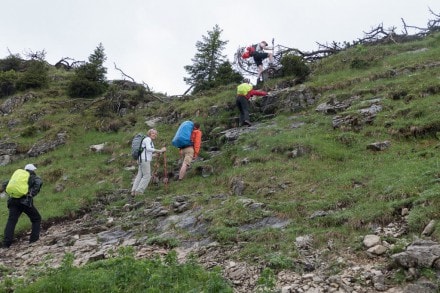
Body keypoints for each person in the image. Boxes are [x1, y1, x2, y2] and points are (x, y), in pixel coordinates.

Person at [2, 164, 43, 248]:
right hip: (25, 201)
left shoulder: (18, 176)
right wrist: (31, 194)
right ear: (32, 170)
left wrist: (11, 193)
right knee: (36, 218)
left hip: (13, 201)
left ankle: (6, 244)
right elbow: (38, 183)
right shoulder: (33, 177)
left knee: (11, 221)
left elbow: (5, 183)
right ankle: (33, 241)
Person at [131, 129, 166, 196]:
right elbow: (149, 149)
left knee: (139, 175)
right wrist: (160, 150)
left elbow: (147, 152)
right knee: (147, 176)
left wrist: (155, 154)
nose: (154, 135)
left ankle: (133, 191)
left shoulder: (147, 140)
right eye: (153, 133)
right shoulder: (148, 139)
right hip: (144, 160)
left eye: (156, 134)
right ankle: (139, 192)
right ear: (149, 134)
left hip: (141, 159)